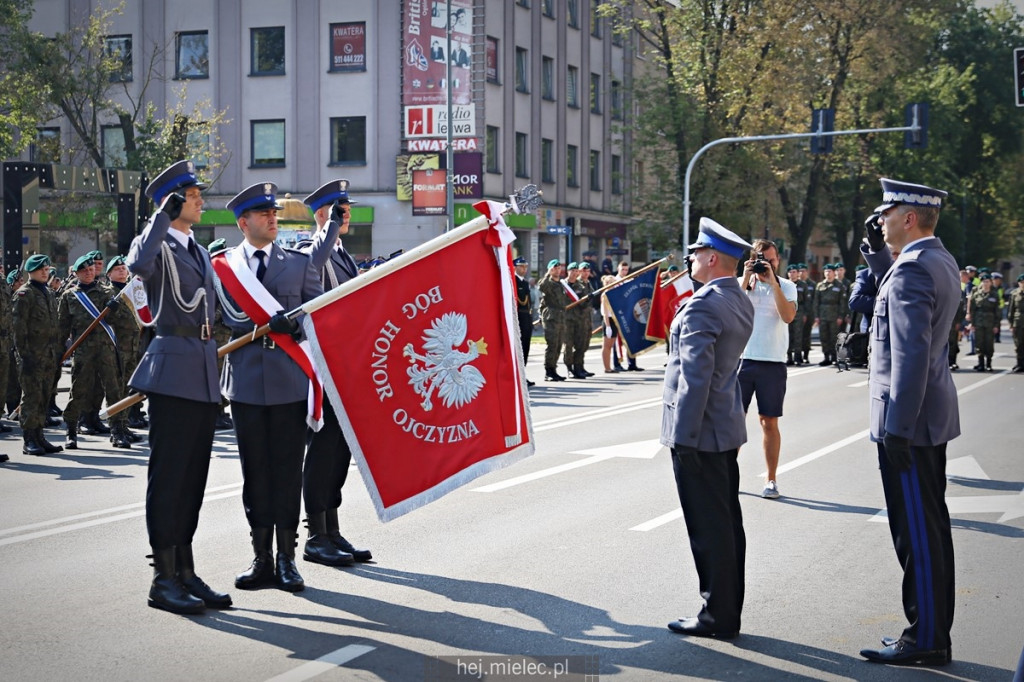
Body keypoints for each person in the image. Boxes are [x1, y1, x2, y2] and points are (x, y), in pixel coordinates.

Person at [858, 178, 959, 666]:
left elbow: (910, 356)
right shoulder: (934, 260)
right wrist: (878, 258)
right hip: (926, 418)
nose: (880, 220)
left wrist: (896, 428)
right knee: (930, 529)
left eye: (887, 213)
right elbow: (901, 305)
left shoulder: (912, 272)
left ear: (910, 218)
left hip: (909, 423)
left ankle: (926, 638)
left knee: (917, 533)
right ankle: (932, 630)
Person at [126, 160, 230, 615]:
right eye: (193, 195)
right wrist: (159, 218)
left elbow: (220, 310)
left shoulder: (200, 251)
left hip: (204, 373)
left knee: (193, 481)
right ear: (172, 200)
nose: (201, 200)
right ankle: (162, 578)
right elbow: (136, 264)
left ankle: (185, 570)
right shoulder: (158, 241)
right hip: (172, 370)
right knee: (168, 479)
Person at [219, 182, 325, 593]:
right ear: (244, 222)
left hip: (287, 383)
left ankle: (287, 559)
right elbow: (216, 319)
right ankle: (260, 557)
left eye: (274, 213)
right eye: (263, 214)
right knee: (254, 475)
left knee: (285, 472)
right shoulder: (224, 267)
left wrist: (294, 323)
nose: (272, 219)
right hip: (245, 383)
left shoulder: (298, 264)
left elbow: (316, 316)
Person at [661, 217, 754, 640]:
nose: (691, 257)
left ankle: (716, 615)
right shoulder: (737, 299)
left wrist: (683, 438)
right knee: (727, 523)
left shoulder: (703, 304)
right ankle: (727, 610)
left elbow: (693, 379)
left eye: (696, 252)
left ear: (712, 258)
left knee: (708, 528)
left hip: (698, 431)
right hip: (724, 427)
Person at [296, 179, 373, 568]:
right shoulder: (314, 249)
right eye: (342, 209)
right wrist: (327, 228)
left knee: (340, 452)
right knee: (323, 452)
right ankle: (315, 535)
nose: (349, 214)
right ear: (326, 213)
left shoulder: (342, 254)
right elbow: (312, 271)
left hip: (346, 366)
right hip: (324, 370)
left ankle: (332, 527)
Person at [737, 239, 797, 500]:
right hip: (742, 360)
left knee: (768, 422)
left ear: (778, 261)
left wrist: (773, 283)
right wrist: (746, 277)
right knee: (733, 420)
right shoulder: (744, 284)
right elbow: (731, 310)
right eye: (763, 259)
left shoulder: (787, 286)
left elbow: (788, 316)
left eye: (772, 260)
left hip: (772, 362)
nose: (768, 264)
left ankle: (771, 479)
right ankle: (727, 474)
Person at [57, 254, 133, 449]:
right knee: (79, 390)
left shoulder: (107, 293)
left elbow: (121, 321)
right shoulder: (70, 296)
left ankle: (117, 431)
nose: (89, 273)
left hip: (106, 350)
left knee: (113, 390)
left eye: (92, 270)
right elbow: (62, 328)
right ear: (77, 273)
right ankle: (71, 430)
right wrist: (57, 351)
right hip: (83, 351)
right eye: (85, 271)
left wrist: (115, 309)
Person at [11, 254, 63, 456]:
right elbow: (18, 329)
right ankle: (29, 439)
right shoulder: (25, 294)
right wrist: (25, 356)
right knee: (31, 397)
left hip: (48, 355)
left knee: (44, 396)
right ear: (31, 271)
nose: (45, 272)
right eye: (41, 269)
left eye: (47, 268)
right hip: (31, 356)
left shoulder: (48, 292)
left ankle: (40, 435)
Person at [538, 259, 570, 381]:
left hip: (561, 317)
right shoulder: (548, 283)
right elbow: (541, 286)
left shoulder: (561, 284)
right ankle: (548, 371)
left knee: (558, 346)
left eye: (558, 268)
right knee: (552, 345)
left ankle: (554, 369)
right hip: (551, 318)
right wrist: (548, 274)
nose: (557, 270)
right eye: (554, 268)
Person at [966, 273, 999, 372]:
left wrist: (996, 325)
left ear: (991, 283)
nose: (985, 283)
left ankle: (988, 364)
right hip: (978, 322)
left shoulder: (994, 295)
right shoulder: (976, 294)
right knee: (979, 343)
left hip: (990, 322)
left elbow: (997, 311)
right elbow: (972, 309)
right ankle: (981, 364)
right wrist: (972, 323)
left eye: (987, 281)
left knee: (989, 343)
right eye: (984, 281)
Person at [814, 263, 844, 365]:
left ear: (833, 272)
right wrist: (816, 316)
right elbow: (816, 302)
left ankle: (834, 357)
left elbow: (842, 302)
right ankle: (826, 357)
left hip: (834, 315)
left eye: (830, 271)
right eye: (826, 271)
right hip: (822, 315)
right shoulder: (820, 285)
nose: (827, 273)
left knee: (834, 337)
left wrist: (840, 316)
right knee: (824, 337)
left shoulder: (839, 285)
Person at [512, 257, 535, 387]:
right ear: (515, 267)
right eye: (521, 266)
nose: (524, 269)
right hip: (518, 319)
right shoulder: (513, 281)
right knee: (517, 349)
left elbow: (528, 304)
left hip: (526, 319)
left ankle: (522, 375)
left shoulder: (525, 283)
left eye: (525, 267)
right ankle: (516, 376)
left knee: (525, 348)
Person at [1008, 274, 1024, 372]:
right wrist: (1011, 324)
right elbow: (1011, 310)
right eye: (1021, 282)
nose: (1023, 284)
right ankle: (1019, 363)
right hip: (1018, 322)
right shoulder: (1014, 294)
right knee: (1018, 344)